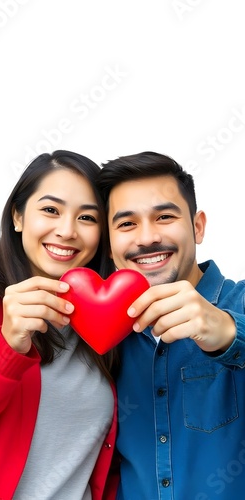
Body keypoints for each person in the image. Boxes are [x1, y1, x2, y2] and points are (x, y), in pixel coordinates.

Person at [0, 150, 119, 500]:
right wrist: (6, 347)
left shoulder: (111, 322)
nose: (66, 231)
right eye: (50, 210)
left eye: (88, 218)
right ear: (18, 216)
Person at [97, 151, 245, 500]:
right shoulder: (101, 335)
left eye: (164, 216)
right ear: (109, 243)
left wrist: (227, 331)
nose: (147, 238)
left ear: (197, 226)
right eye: (127, 223)